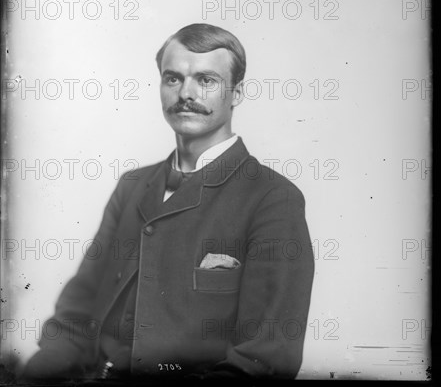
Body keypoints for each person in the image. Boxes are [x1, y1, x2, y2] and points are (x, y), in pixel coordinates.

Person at [22, 23, 314, 381]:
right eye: (173, 79)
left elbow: (265, 359)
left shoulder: (273, 199)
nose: (186, 94)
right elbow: (77, 311)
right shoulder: (132, 186)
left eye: (206, 80)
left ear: (236, 93)